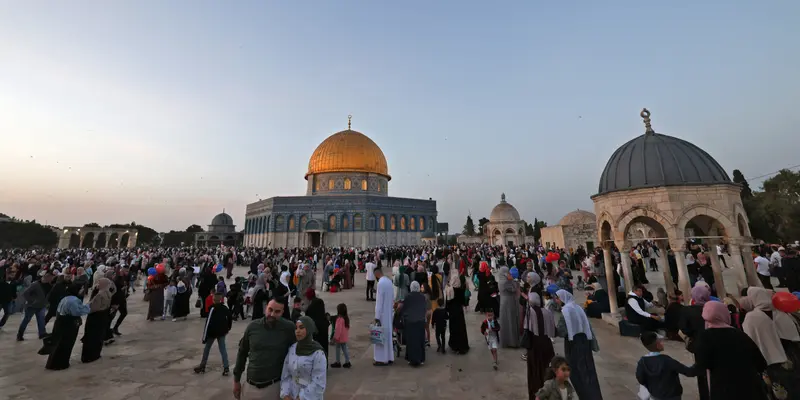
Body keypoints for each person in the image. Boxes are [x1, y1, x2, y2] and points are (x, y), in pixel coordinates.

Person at [694, 301, 768, 400]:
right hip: (749, 387)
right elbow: (760, 363)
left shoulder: (704, 337)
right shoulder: (739, 335)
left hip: (723, 389)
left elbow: (702, 364)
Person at [740, 287, 799, 399]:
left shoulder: (751, 317)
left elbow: (750, 340)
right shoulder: (781, 312)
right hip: (791, 357)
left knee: (779, 391)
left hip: (768, 360)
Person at [233, 299, 296, 399]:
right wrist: (237, 380)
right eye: (270, 309)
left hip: (274, 387)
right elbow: (242, 353)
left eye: (277, 312)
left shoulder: (288, 328)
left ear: (282, 312)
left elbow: (296, 356)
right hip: (250, 387)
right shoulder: (253, 327)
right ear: (265, 308)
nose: (272, 314)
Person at [555, 289, 603, 400]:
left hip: (573, 344)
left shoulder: (565, 312)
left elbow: (562, 332)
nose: (556, 300)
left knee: (577, 374)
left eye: (557, 298)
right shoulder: (578, 308)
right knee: (589, 372)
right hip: (585, 343)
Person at [635, 331, 696, 400]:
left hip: (655, 395)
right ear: (658, 345)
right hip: (672, 396)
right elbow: (689, 372)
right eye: (660, 341)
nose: (662, 343)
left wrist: (652, 386)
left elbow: (640, 379)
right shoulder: (667, 360)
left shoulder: (642, 362)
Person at [44, 283, 90, 370]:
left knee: (58, 343)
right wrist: (88, 306)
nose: (82, 290)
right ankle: (61, 364)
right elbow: (76, 312)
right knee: (66, 344)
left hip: (60, 322)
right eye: (81, 288)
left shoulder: (65, 298)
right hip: (69, 324)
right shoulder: (74, 300)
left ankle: (53, 364)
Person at [279, 316, 327, 400]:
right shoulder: (292, 349)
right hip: (292, 394)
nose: (297, 331)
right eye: (296, 328)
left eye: (301, 328)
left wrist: (301, 397)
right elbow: (286, 374)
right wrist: (285, 394)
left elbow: (319, 382)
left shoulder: (317, 353)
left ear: (309, 329)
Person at [679, 285, 711, 400]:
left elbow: (684, 329)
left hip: (699, 345)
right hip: (717, 343)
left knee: (702, 372)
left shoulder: (687, 311)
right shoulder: (715, 307)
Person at [524, 292, 556, 398]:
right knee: (547, 368)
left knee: (534, 372)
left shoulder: (530, 311)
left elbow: (527, 328)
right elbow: (553, 330)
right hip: (546, 344)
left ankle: (536, 395)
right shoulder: (547, 312)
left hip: (534, 345)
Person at [194, 292, 233, 375]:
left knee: (207, 349)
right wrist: (228, 327)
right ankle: (226, 368)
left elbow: (207, 323)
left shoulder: (212, 308)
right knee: (223, 349)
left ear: (214, 300)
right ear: (221, 299)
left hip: (212, 332)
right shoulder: (225, 308)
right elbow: (230, 317)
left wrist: (204, 337)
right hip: (222, 331)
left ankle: (202, 366)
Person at [81, 277, 115, 363]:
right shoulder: (108, 292)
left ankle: (89, 356)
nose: (98, 285)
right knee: (98, 336)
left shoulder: (100, 295)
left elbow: (93, 307)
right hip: (103, 317)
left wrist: (87, 306)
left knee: (92, 337)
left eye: (99, 283)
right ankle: (96, 354)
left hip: (95, 317)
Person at [17, 271, 53, 341]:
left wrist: (47, 302)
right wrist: (32, 301)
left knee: (41, 320)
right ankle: (20, 334)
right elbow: (25, 293)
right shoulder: (35, 284)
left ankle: (42, 333)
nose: (51, 279)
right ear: (46, 277)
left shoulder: (49, 285)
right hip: (31, 306)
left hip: (41, 306)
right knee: (26, 320)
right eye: (50, 278)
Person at [372, 266, 395, 366]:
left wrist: (377, 316)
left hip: (382, 315)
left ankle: (381, 358)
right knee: (388, 335)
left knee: (380, 337)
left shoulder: (380, 283)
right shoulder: (389, 281)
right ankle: (389, 357)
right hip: (389, 313)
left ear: (376, 274)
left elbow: (379, 302)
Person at [402, 281, 428, 366]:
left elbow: (404, 309)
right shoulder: (422, 297)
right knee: (420, 341)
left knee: (411, 341)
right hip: (420, 321)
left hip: (410, 321)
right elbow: (424, 308)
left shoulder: (407, 297)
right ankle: (421, 359)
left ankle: (410, 358)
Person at [446, 272, 470, 354]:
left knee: (453, 329)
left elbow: (448, 302)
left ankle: (454, 345)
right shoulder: (461, 289)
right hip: (459, 311)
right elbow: (463, 301)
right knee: (461, 328)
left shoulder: (450, 290)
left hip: (452, 312)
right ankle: (462, 346)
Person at [498, 266, 521, 348]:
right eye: (508, 272)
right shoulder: (505, 282)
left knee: (507, 320)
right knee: (510, 320)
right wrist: (513, 280)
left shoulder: (501, 280)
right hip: (509, 302)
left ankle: (507, 340)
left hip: (505, 302)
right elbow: (514, 289)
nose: (509, 273)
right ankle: (512, 341)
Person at [303, 288, 329, 361]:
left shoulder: (312, 304)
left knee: (318, 347)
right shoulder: (319, 301)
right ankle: (325, 363)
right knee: (324, 346)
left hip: (317, 329)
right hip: (323, 326)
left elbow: (308, 315)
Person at [330, 303, 351, 368]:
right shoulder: (346, 318)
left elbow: (338, 329)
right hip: (344, 337)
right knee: (345, 349)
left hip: (339, 338)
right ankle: (347, 361)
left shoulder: (339, 319)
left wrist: (335, 338)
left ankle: (338, 362)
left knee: (337, 349)